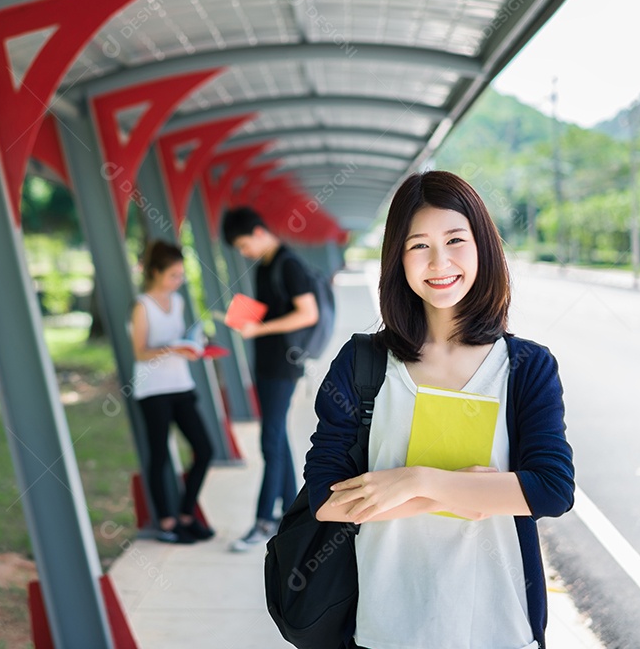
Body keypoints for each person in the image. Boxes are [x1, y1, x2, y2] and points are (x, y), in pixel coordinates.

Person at [305, 171, 575, 649]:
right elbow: (327, 501)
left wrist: (420, 480)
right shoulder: (364, 363)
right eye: (419, 246)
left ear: (482, 248)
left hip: (500, 624)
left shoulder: (526, 367)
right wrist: (466, 494)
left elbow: (551, 490)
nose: (439, 261)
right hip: (387, 625)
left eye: (455, 240)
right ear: (398, 258)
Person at [221, 207, 320, 552]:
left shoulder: (288, 264)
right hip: (267, 364)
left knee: (270, 440)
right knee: (276, 439)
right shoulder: (266, 263)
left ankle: (265, 521)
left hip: (282, 366)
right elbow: (274, 309)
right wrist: (243, 317)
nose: (244, 252)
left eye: (245, 245)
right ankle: (293, 511)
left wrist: (260, 327)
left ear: (260, 232)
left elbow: (308, 313)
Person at [130, 240, 215, 544]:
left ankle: (185, 514)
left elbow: (179, 338)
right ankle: (167, 522)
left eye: (181, 275)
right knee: (160, 455)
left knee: (204, 449)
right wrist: (172, 347)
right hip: (153, 389)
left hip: (181, 384)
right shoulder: (143, 306)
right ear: (155, 272)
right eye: (173, 276)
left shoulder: (177, 302)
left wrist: (189, 347)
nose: (178, 281)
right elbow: (140, 352)